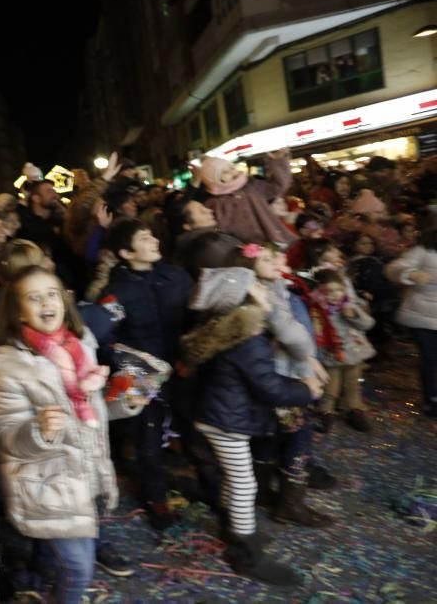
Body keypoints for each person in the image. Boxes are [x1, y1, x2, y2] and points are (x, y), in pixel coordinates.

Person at [0, 267, 144, 603]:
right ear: (17, 310)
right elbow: (5, 438)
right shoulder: (7, 366)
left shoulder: (79, 347)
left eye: (52, 293)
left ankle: (38, 588)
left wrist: (124, 404)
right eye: (34, 296)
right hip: (47, 485)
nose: (46, 301)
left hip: (83, 475)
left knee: (64, 561)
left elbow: (90, 414)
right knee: (79, 569)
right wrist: (37, 430)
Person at [182, 267, 322, 585]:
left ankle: (233, 529)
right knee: (245, 483)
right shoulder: (249, 342)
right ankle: (246, 554)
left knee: (236, 478)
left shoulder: (234, 335)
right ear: (243, 300)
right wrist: (306, 389)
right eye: (258, 286)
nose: (265, 289)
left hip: (219, 416)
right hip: (225, 422)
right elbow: (269, 388)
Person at [99, 219, 193, 531]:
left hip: (184, 370)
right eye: (143, 237)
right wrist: (137, 371)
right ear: (126, 252)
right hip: (143, 380)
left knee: (194, 432)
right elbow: (106, 341)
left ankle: (206, 485)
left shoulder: (176, 276)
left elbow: (197, 319)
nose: (153, 239)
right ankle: (157, 502)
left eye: (151, 233)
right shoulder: (115, 293)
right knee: (148, 442)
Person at [309, 268, 375, 432]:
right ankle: (325, 412)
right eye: (330, 291)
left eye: (339, 290)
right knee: (331, 387)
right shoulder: (317, 310)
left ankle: (354, 411)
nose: (336, 294)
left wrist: (353, 315)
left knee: (352, 385)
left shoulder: (348, 306)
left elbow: (368, 324)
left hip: (354, 353)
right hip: (331, 356)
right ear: (320, 291)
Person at [386, 226, 437, 417]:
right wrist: (411, 274)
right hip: (422, 313)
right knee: (430, 358)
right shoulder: (424, 250)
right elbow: (394, 268)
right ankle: (431, 398)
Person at [199, 149, 296, 245]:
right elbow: (218, 231)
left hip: (273, 239)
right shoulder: (214, 203)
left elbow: (278, 186)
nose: (232, 172)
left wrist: (278, 162)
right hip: (243, 251)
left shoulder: (251, 185)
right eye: (225, 172)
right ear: (213, 179)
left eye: (231, 168)